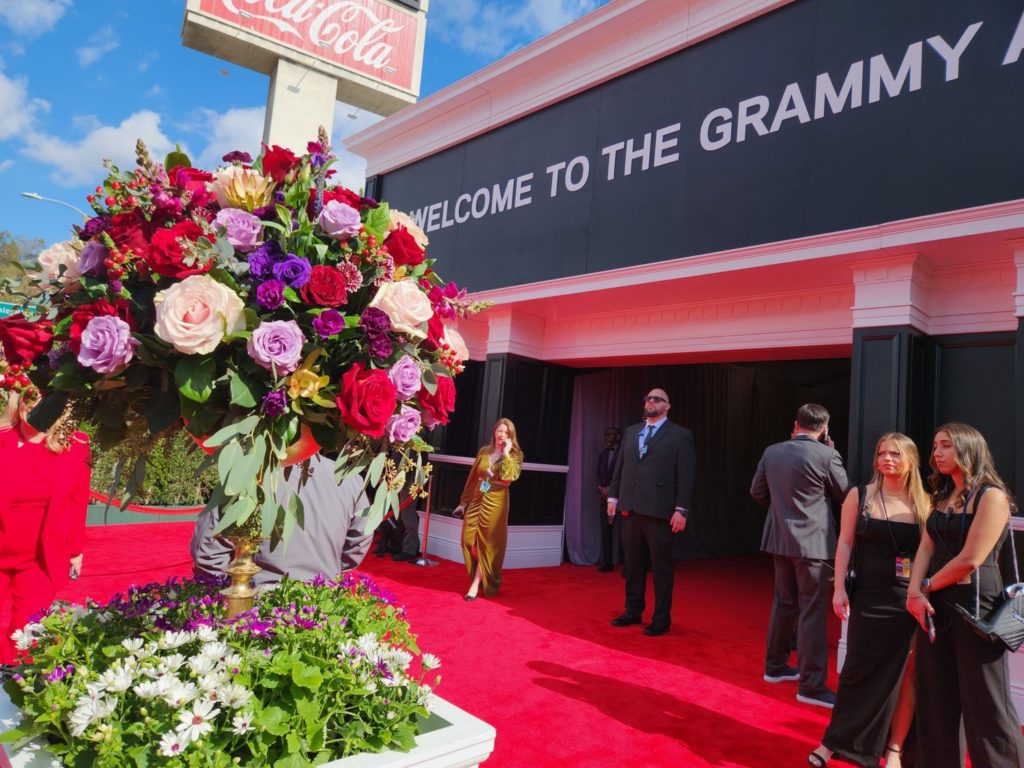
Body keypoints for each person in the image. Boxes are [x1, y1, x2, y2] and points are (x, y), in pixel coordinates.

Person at [906, 423, 1024, 768]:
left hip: (977, 607)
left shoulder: (992, 496)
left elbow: (971, 559)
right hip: (934, 604)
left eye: (946, 446)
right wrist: (914, 591)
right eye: (935, 446)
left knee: (985, 702)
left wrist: (925, 587)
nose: (937, 453)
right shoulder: (942, 496)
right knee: (936, 698)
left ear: (968, 449)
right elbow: (925, 547)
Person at [808, 433, 929, 768]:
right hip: (867, 597)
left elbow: (927, 555)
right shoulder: (859, 496)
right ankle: (832, 743)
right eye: (881, 453)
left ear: (910, 459)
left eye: (895, 454)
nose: (887, 459)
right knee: (856, 672)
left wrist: (920, 594)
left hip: (906, 602)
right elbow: (845, 543)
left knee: (902, 676)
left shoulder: (924, 503)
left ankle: (893, 749)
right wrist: (838, 588)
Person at [750, 403, 848, 708]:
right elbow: (847, 496)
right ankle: (811, 685)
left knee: (784, 602)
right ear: (824, 428)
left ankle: (775, 667)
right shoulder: (827, 455)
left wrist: (781, 514)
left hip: (780, 540)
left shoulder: (772, 451)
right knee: (812, 612)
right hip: (814, 545)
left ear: (796, 424)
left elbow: (757, 491)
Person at [0, 391, 90, 665]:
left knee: (27, 633)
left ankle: (11, 694)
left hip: (39, 558)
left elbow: (78, 499)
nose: (32, 405)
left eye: (42, 398)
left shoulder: (75, 444)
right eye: (27, 397)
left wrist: (76, 549)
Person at [191, 452, 373, 585]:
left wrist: (234, 592)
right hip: (324, 607)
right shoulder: (351, 481)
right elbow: (358, 543)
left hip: (257, 613)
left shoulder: (248, 475)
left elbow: (208, 551)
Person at [606, 388, 696, 636]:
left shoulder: (680, 436)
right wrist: (614, 496)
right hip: (630, 507)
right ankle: (632, 611)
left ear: (667, 406)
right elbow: (620, 467)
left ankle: (661, 619)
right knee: (633, 565)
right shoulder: (632, 431)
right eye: (648, 398)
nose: (651, 401)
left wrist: (681, 510)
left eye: (657, 399)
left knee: (661, 568)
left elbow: (686, 476)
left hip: (660, 511)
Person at [453, 418, 523, 600]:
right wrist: (463, 502)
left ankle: (476, 584)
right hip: (478, 496)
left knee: (489, 545)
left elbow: (508, 478)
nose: (502, 435)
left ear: (511, 436)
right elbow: (472, 477)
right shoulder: (484, 451)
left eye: (506, 433)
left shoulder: (515, 455)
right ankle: (481, 576)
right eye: (500, 431)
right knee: (468, 541)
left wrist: (506, 454)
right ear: (494, 432)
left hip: (497, 500)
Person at [596, 426, 621, 572]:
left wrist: (611, 489)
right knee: (605, 530)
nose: (606, 438)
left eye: (610, 435)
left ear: (618, 437)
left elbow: (625, 474)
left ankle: (628, 564)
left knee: (625, 532)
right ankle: (607, 563)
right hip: (604, 497)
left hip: (621, 497)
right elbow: (598, 471)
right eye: (606, 435)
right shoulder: (603, 453)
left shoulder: (624, 453)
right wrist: (601, 487)